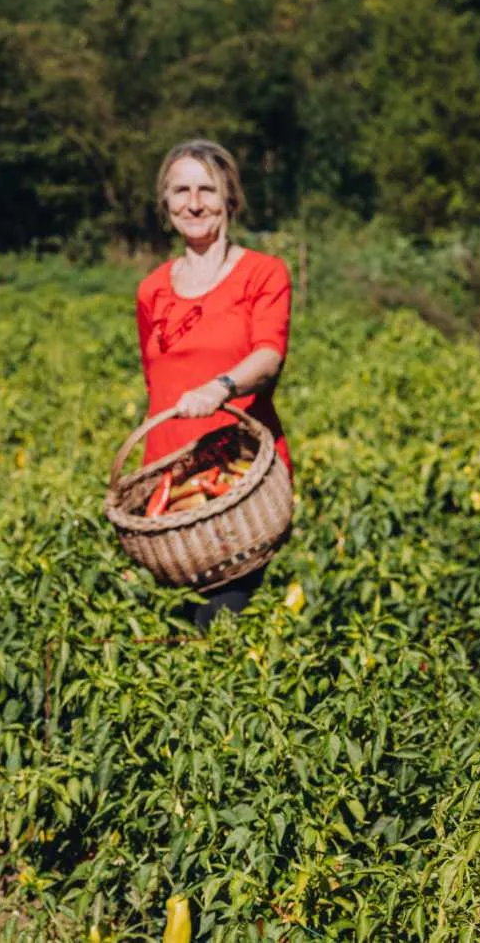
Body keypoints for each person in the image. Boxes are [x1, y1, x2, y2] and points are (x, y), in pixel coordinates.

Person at [135, 139, 293, 628]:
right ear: (166, 204)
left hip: (237, 482)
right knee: (168, 639)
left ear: (230, 200)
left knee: (217, 631)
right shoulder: (152, 289)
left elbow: (269, 358)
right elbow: (156, 386)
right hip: (169, 493)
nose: (195, 202)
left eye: (207, 190)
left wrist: (221, 386)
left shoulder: (263, 274)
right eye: (181, 191)